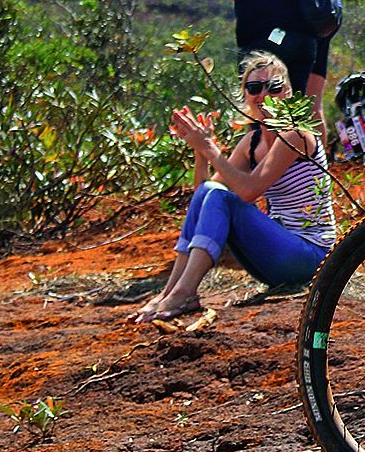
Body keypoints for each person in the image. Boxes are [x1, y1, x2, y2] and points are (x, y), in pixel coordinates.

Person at [131, 51, 337, 323]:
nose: (263, 94)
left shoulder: (296, 134)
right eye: (254, 87)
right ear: (245, 95)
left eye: (273, 87)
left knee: (223, 199)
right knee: (211, 194)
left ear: (286, 92)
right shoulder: (250, 143)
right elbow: (203, 197)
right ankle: (170, 291)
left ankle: (183, 292)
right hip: (277, 256)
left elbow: (249, 191)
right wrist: (200, 150)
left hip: (311, 257)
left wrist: (210, 148)